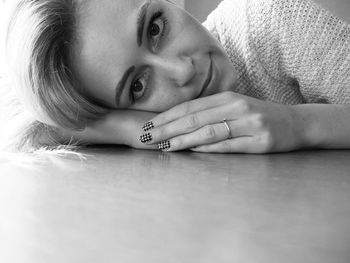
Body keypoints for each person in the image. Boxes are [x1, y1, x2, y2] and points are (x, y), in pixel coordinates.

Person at [2, 0, 350, 154]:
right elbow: (28, 130)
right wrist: (129, 129)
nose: (182, 70)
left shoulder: (278, 17)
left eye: (156, 27)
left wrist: (301, 125)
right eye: (137, 86)